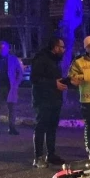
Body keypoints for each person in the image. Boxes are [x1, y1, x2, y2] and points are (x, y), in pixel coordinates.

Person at [31, 37, 69, 168]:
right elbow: (35, 79)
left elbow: (54, 78)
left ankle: (51, 154)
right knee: (41, 127)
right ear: (55, 47)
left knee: (52, 127)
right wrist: (54, 84)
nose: (64, 49)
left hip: (55, 99)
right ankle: (38, 157)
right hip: (43, 100)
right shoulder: (41, 58)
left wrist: (67, 81)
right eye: (62, 47)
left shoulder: (55, 60)